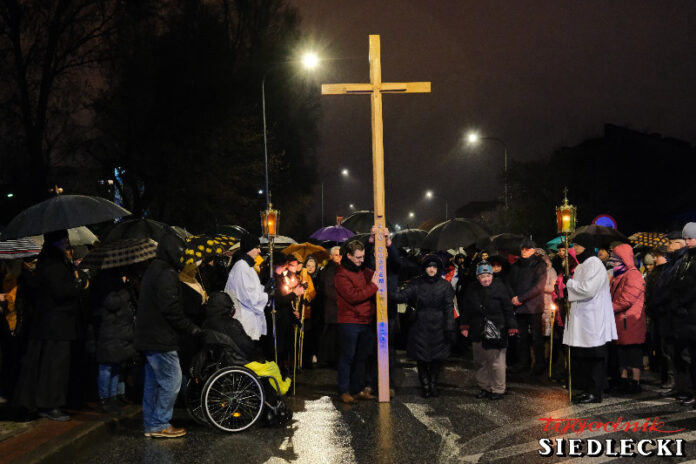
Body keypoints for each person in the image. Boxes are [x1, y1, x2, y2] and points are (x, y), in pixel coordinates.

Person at [13, 229, 88, 421]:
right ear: (57, 241)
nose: (66, 243)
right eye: (64, 239)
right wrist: (80, 285)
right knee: (54, 367)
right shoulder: (52, 263)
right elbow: (61, 291)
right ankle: (49, 404)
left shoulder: (51, 261)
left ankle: (45, 403)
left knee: (50, 366)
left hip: (52, 324)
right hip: (55, 325)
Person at [136, 233, 202, 438]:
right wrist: (190, 328)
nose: (181, 256)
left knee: (153, 382)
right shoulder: (166, 273)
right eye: (179, 251)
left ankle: (151, 424)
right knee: (172, 380)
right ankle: (159, 423)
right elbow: (171, 308)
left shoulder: (154, 269)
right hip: (161, 337)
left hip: (149, 336)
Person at [562, 234, 617, 404]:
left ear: (585, 246)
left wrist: (569, 284)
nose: (574, 249)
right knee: (585, 356)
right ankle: (587, 389)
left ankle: (595, 391)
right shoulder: (582, 265)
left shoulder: (594, 264)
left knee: (595, 356)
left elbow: (588, 289)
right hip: (583, 317)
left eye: (577, 246)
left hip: (593, 317)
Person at [391, 254, 455, 397]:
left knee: (437, 358)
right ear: (424, 268)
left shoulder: (445, 285)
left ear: (438, 269)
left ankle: (433, 384)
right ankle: (425, 385)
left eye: (434, 267)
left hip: (439, 325)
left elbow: (449, 307)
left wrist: (450, 325)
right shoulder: (416, 283)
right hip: (420, 325)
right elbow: (402, 296)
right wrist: (386, 290)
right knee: (421, 357)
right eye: (428, 266)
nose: (431, 269)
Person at [460, 262, 517, 400]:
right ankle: (484, 387)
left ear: (492, 275)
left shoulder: (500, 287)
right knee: (480, 361)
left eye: (488, 275)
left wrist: (512, 326)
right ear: (477, 277)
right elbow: (466, 308)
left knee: (496, 362)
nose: (485, 279)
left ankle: (498, 389)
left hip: (496, 329)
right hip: (477, 328)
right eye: (482, 276)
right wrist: (464, 325)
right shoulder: (472, 288)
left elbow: (508, 309)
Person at [334, 240, 380, 403]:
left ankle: (357, 389)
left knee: (362, 357)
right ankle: (344, 390)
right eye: (358, 257)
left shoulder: (363, 270)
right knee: (348, 357)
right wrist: (373, 286)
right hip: (349, 321)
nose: (362, 260)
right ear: (348, 256)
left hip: (365, 320)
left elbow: (375, 273)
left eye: (363, 257)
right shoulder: (341, 275)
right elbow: (353, 296)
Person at [91, 267, 136, 412]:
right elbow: (112, 303)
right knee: (107, 366)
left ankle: (113, 396)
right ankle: (105, 398)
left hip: (118, 329)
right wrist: (124, 291)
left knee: (117, 364)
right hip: (109, 330)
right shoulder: (104, 280)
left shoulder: (115, 280)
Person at [506, 238, 547, 375]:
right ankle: (523, 362)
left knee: (536, 337)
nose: (524, 251)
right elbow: (509, 282)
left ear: (533, 250)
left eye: (527, 248)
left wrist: (520, 298)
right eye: (523, 248)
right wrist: (513, 297)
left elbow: (539, 286)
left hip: (533, 306)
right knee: (521, 336)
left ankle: (539, 364)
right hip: (519, 305)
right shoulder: (516, 265)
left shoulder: (540, 265)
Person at [609, 244, 646, 394]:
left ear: (624, 260)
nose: (613, 263)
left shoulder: (633, 275)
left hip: (630, 321)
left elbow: (627, 300)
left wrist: (608, 308)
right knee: (621, 351)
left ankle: (635, 382)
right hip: (621, 320)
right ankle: (624, 380)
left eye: (616, 260)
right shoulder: (619, 275)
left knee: (633, 351)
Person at [669, 223, 696, 407]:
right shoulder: (687, 257)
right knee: (689, 357)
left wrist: (682, 301)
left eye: (690, 238)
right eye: (685, 238)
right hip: (686, 315)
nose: (687, 242)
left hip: (692, 311)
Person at [225, 235, 268, 341]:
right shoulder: (241, 267)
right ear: (249, 248)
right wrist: (266, 295)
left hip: (248, 319)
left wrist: (265, 289)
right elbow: (249, 297)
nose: (259, 251)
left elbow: (253, 288)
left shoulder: (247, 266)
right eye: (257, 247)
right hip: (244, 321)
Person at [318, 246, 341, 366]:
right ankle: (329, 359)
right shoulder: (331, 269)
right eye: (336, 255)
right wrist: (340, 299)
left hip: (335, 307)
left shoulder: (337, 268)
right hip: (333, 306)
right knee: (331, 334)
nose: (339, 257)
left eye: (340, 254)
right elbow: (329, 288)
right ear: (331, 256)